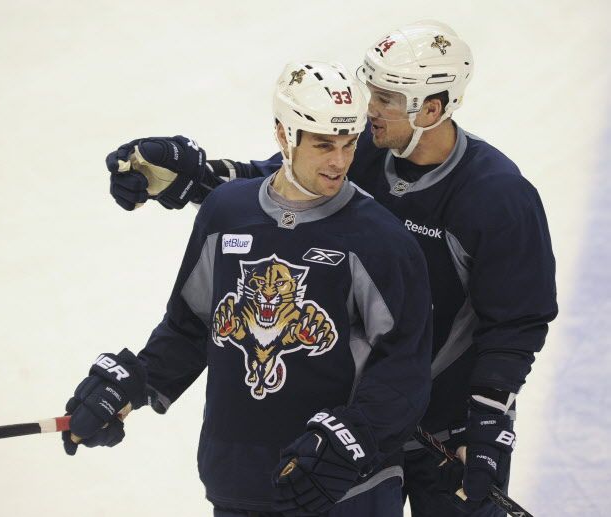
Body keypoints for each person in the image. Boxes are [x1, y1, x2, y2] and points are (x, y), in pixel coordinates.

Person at [105, 21, 558, 516]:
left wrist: (488, 422)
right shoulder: (363, 149)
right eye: (372, 92)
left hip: (445, 432)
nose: (370, 110)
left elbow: (516, 322)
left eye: (387, 98)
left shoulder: (498, 196)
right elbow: (279, 188)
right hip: (356, 426)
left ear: (431, 108)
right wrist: (192, 178)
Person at [65, 61, 433, 517]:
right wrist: (130, 387)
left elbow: (406, 367)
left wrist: (353, 438)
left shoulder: (379, 239)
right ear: (284, 134)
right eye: (323, 145)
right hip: (238, 480)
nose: (340, 161)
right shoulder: (226, 213)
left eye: (348, 144)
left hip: (344, 491)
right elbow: (192, 325)